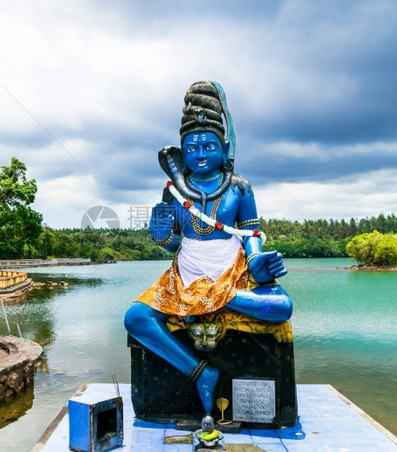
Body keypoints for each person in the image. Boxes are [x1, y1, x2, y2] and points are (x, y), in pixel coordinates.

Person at [124, 81, 293, 415]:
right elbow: (173, 244)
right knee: (136, 317)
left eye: (209, 146)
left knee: (281, 307)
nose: (200, 155)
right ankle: (199, 371)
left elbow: (250, 234)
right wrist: (161, 238)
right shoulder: (174, 192)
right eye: (192, 148)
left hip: (231, 273)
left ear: (224, 146)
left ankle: (222, 297)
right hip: (184, 276)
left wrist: (257, 261)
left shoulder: (239, 188)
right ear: (181, 151)